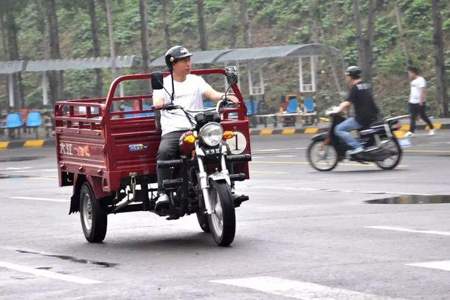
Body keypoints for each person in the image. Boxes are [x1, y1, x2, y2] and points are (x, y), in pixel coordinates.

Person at [152, 45, 239, 208]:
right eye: (184, 61)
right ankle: (163, 193)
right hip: (174, 130)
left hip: (197, 128)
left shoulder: (196, 81)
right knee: (164, 152)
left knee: (223, 147)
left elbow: (212, 94)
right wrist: (161, 104)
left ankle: (230, 188)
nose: (188, 64)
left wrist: (226, 96)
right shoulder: (163, 84)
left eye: (189, 60)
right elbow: (157, 102)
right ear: (173, 64)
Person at [333, 66, 380, 155]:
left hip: (361, 118)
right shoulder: (365, 85)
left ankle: (357, 147)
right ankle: (361, 144)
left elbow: (348, 102)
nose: (346, 78)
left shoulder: (355, 88)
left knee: (339, 129)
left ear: (351, 76)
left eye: (347, 76)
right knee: (350, 123)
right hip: (372, 115)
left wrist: (338, 109)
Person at [405, 66, 434, 137]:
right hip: (412, 102)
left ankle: (431, 128)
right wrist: (409, 100)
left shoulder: (421, 79)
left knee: (423, 116)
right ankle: (411, 132)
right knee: (412, 117)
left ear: (413, 73)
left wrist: (421, 100)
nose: (409, 75)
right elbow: (412, 91)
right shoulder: (412, 81)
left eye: (409, 73)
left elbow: (423, 91)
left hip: (419, 102)